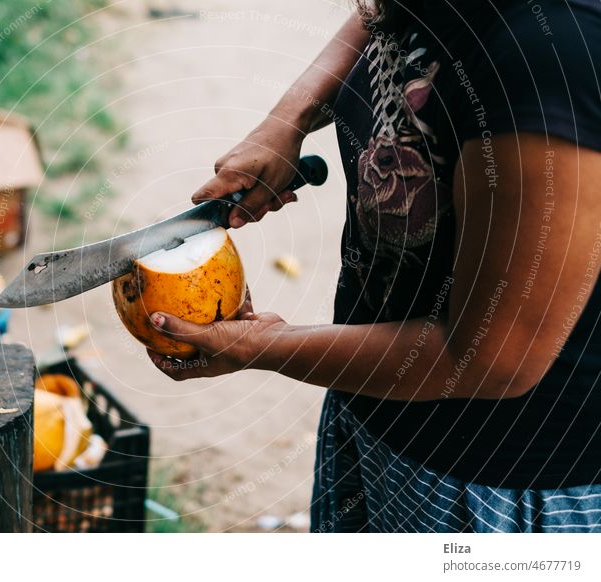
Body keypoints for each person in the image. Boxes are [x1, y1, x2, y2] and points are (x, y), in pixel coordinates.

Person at [146, 0, 601, 532]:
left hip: (488, 481)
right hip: (373, 395)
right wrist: (286, 121)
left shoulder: (553, 57)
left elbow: (490, 359)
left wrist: (258, 347)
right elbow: (382, 15)